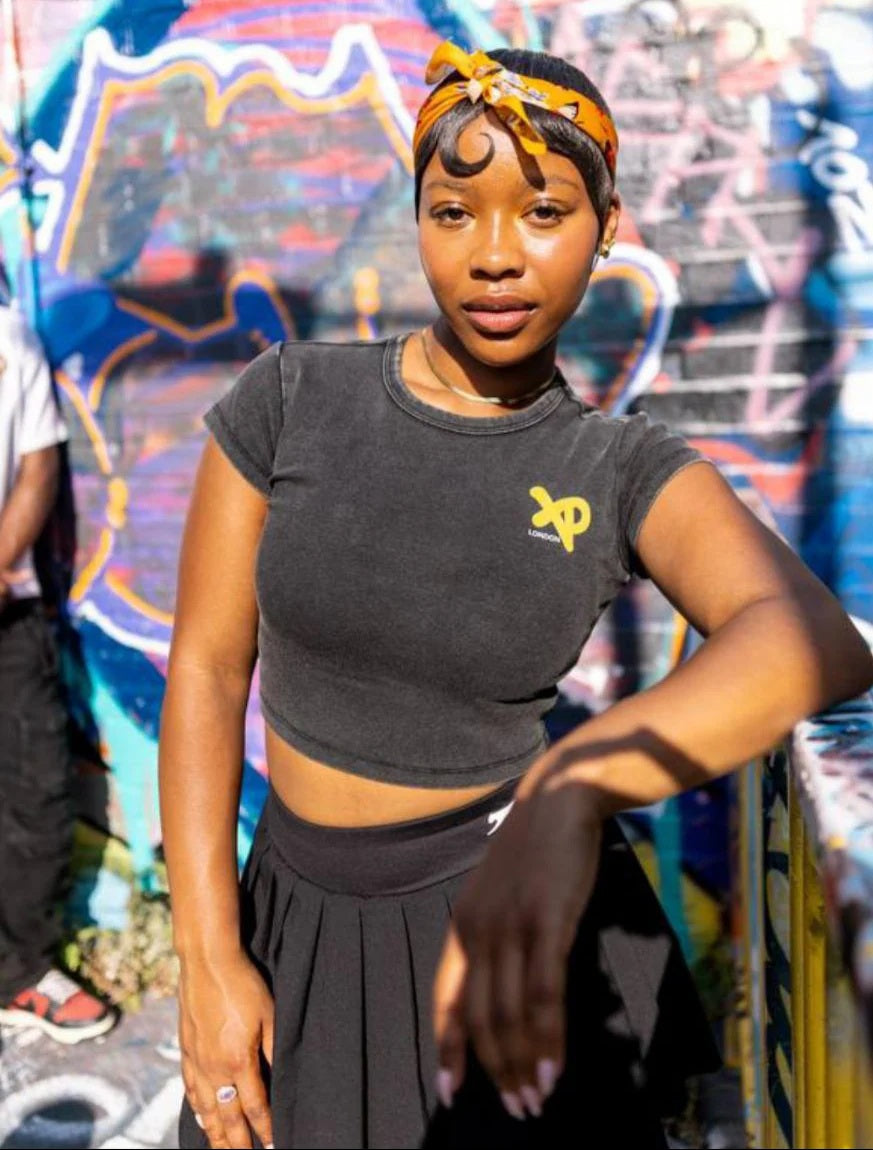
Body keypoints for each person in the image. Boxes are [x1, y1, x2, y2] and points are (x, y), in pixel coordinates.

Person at [159, 41, 873, 1150]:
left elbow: (810, 637)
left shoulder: (617, 467)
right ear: (418, 219)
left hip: (501, 934)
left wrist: (568, 791)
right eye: (455, 212)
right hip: (289, 917)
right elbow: (207, 670)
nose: (495, 255)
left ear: (606, 226)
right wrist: (206, 956)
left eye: (543, 212)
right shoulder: (291, 398)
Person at [0, 303, 117, 1043]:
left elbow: (39, 465)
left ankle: (19, 971)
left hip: (9, 611)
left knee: (38, 789)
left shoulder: (9, 332)